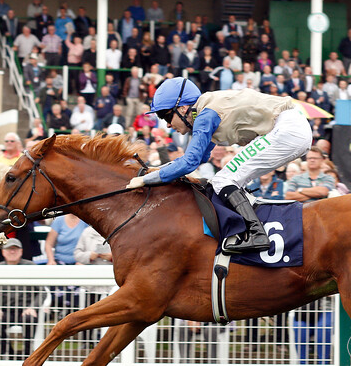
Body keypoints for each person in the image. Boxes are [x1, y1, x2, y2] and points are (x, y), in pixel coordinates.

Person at [126, 77, 311, 253]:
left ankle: (257, 233)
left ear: (182, 109)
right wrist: (159, 171)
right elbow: (201, 157)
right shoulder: (204, 110)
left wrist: (147, 179)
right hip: (291, 129)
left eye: (165, 116)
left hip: (287, 130)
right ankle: (251, 229)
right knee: (229, 180)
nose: (167, 125)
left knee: (223, 180)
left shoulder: (206, 115)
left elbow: (190, 162)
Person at [0, 239, 39, 360]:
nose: (12, 251)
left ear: (21, 251)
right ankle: (9, 353)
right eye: (9, 249)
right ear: (3, 252)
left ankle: (27, 354)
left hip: (26, 309)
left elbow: (41, 291)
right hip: (5, 310)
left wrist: (33, 307)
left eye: (15, 249)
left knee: (29, 319)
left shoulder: (31, 267)